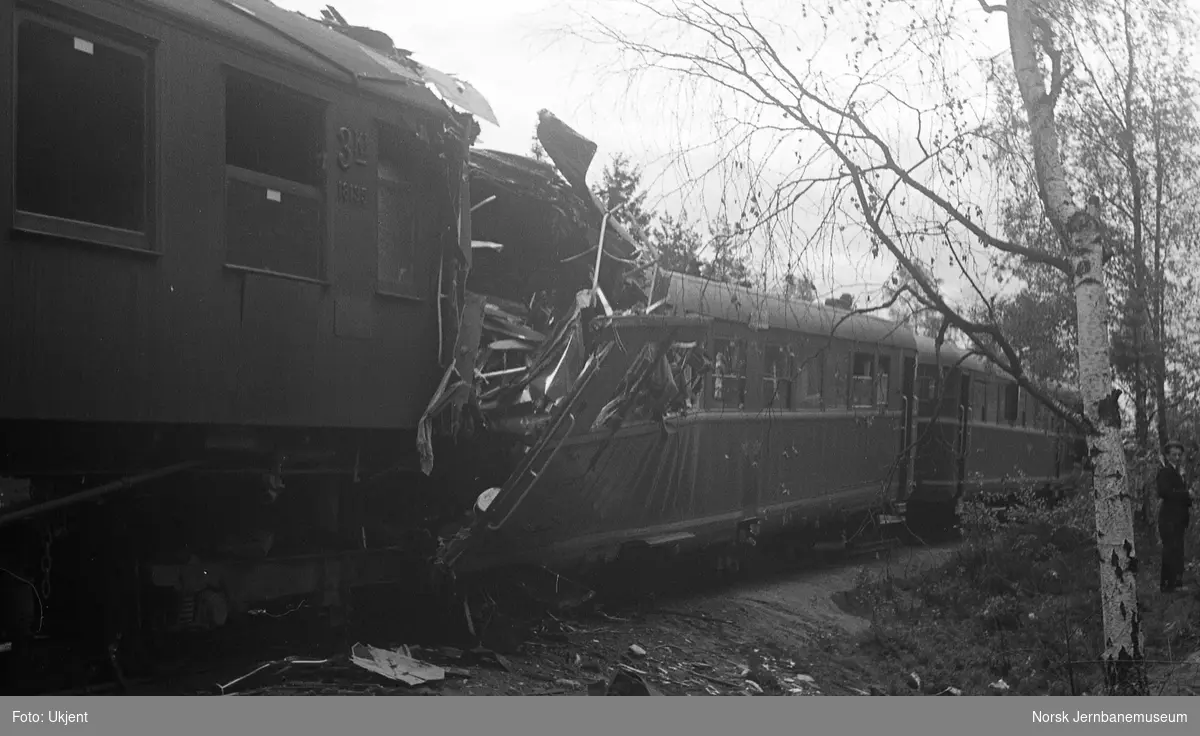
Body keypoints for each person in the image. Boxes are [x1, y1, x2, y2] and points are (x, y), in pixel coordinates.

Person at [1156, 439, 1193, 593]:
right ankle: (1168, 585)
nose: (1177, 458)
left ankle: (1174, 583)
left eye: (1179, 455)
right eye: (1174, 455)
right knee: (1171, 551)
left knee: (1177, 551)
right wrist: (1186, 494)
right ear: (1167, 455)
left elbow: (1180, 496)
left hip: (1177, 519)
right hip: (1169, 519)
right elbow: (1165, 493)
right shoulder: (1165, 472)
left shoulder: (1177, 473)